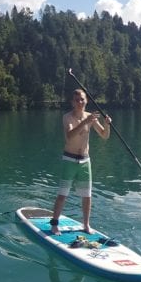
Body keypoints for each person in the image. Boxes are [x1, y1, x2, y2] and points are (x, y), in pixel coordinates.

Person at [49, 88, 111, 235]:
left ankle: (86, 225)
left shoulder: (91, 117)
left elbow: (104, 135)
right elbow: (70, 135)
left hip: (85, 161)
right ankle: (54, 224)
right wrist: (85, 122)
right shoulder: (67, 117)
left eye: (82, 99)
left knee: (87, 196)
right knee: (62, 194)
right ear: (72, 102)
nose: (80, 102)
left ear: (86, 101)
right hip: (69, 160)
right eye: (77, 100)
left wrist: (107, 124)